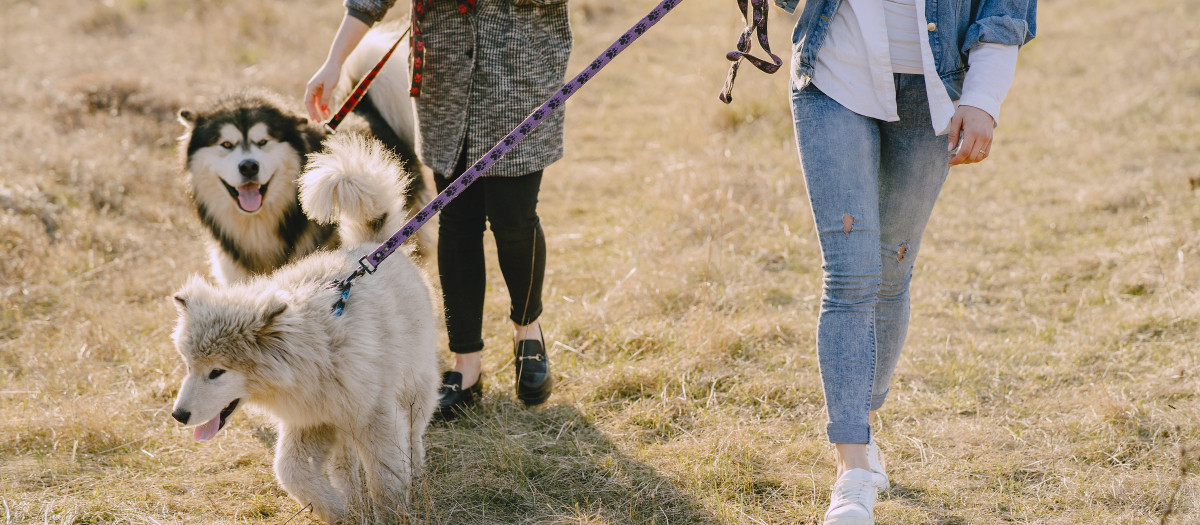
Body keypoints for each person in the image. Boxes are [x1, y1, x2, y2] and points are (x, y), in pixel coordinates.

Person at [773, 0, 1036, 523]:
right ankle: (851, 474)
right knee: (850, 274)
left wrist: (983, 97)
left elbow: (1005, 11)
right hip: (833, 75)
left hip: (934, 93)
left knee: (891, 270)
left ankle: (864, 428)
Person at [305, 0, 573, 419]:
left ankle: (528, 331)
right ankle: (466, 364)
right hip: (443, 86)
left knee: (515, 219)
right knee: (457, 224)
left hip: (519, 78)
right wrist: (333, 63)